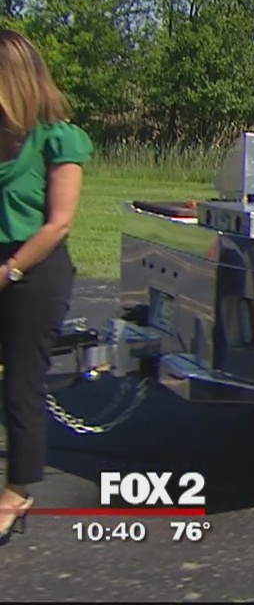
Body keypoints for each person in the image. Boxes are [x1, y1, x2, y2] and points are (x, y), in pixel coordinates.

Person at [0, 29, 93, 545]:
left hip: (34, 269)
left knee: (21, 383)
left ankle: (17, 490)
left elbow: (58, 223)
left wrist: (9, 271)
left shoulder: (58, 139)